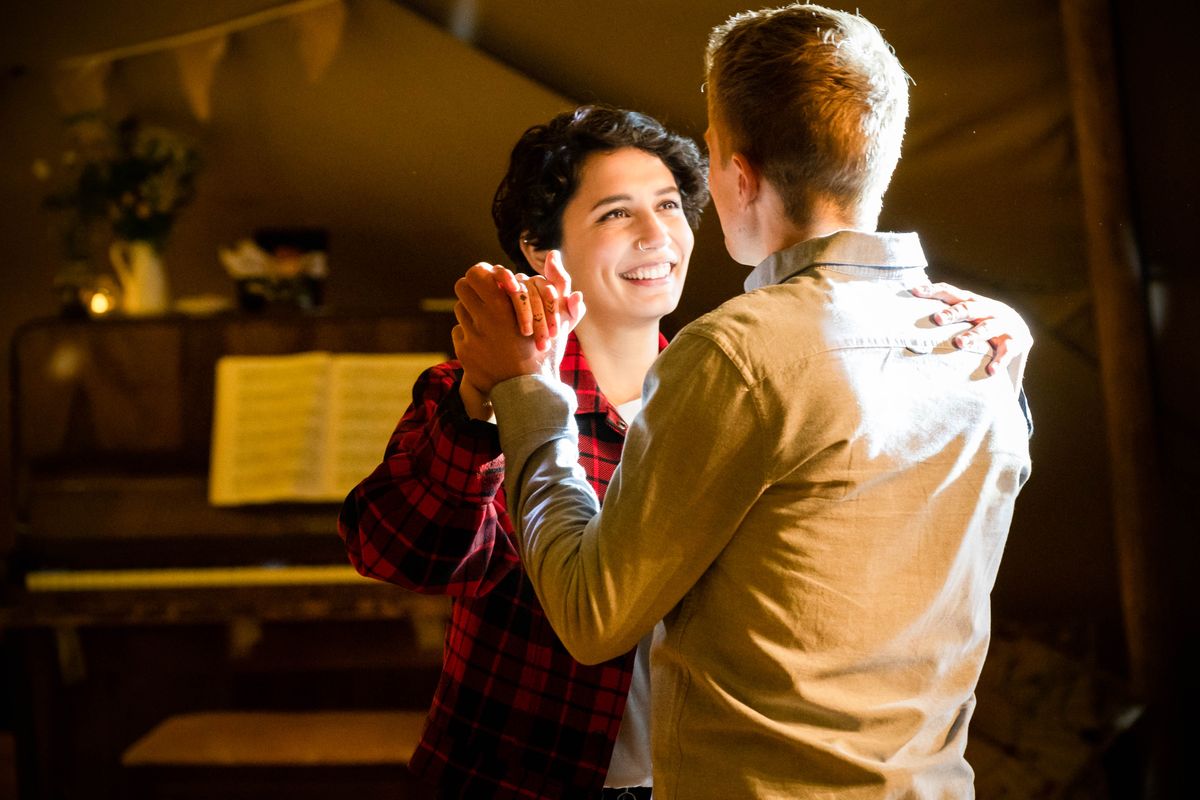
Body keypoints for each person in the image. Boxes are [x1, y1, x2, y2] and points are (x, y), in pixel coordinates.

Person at [341, 102, 1018, 797]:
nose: (656, 235)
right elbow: (395, 552)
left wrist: (1001, 338)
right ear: (545, 252)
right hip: (516, 781)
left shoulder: (730, 385)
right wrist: (488, 395)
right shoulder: (478, 393)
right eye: (615, 214)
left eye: (669, 205)